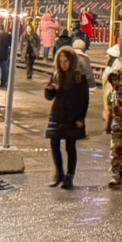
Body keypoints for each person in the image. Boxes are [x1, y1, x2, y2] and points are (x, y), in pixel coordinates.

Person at [43, 48, 91, 189]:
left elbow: (84, 99)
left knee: (70, 146)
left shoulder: (79, 77)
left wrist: (80, 117)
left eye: (66, 61)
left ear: (71, 61)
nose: (63, 64)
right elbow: (50, 97)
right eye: (61, 61)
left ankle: (70, 176)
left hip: (72, 115)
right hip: (57, 114)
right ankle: (59, 173)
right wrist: (49, 89)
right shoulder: (56, 75)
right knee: (54, 143)